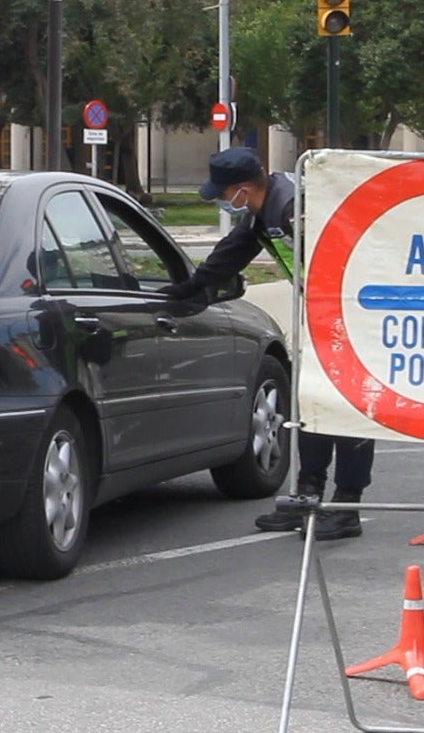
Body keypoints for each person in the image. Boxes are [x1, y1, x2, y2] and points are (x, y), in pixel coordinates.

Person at [159, 146, 372, 541]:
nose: (224, 201)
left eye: (224, 194)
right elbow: (230, 254)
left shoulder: (293, 208)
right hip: (323, 313)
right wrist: (189, 289)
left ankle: (347, 505)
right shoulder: (264, 211)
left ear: (243, 188)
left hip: (351, 312)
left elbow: (342, 255)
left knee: (347, 405)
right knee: (311, 402)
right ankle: (307, 496)